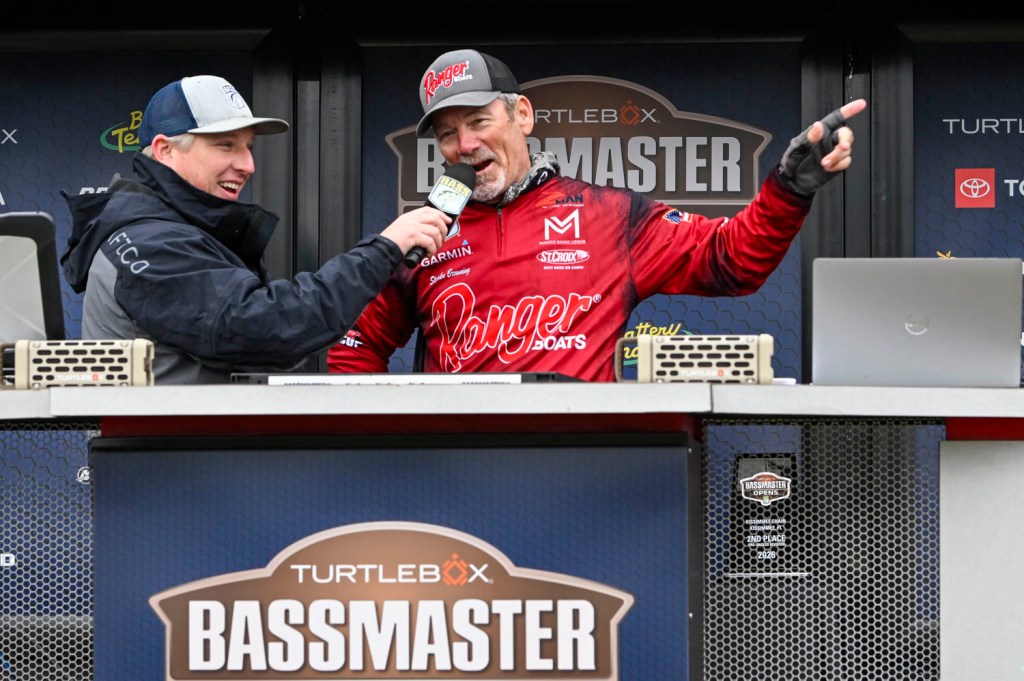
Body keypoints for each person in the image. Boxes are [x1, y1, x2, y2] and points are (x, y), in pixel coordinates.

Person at [326, 49, 867, 382]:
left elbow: (733, 261)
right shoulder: (419, 234)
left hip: (586, 470)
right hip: (454, 480)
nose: (465, 144)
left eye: (479, 121)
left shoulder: (611, 215)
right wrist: (389, 450)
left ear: (521, 114)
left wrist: (786, 189)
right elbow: (355, 350)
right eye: (447, 133)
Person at [60, 74, 451, 384]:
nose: (248, 165)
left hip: (186, 453)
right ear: (165, 150)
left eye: (248, 147)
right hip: (162, 457)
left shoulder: (177, 230)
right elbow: (269, 327)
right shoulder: (149, 240)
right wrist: (384, 249)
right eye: (226, 145)